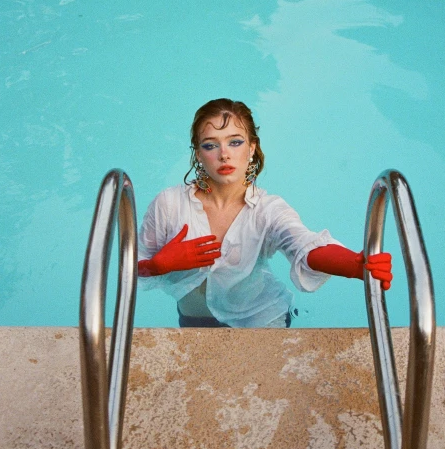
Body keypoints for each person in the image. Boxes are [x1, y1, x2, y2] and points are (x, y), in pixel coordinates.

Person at [137, 98, 392, 328]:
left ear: (251, 149)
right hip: (194, 320)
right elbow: (130, 270)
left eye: (235, 142)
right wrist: (157, 265)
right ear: (198, 155)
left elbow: (303, 244)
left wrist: (353, 264)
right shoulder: (169, 205)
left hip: (259, 319)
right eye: (210, 145)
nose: (224, 154)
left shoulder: (267, 210)